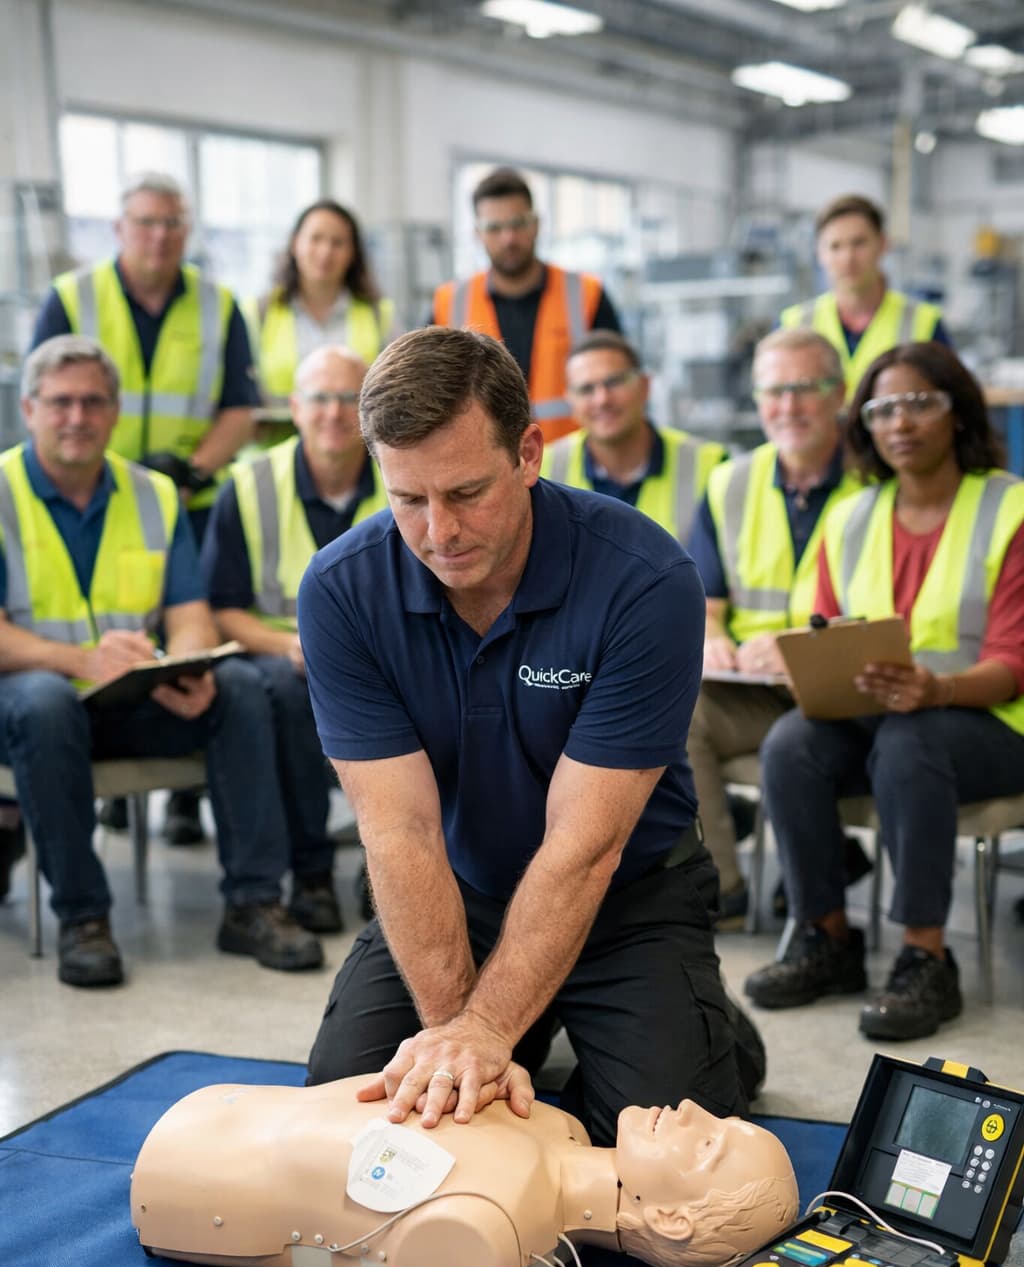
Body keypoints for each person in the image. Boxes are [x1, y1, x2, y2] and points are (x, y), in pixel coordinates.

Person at [297, 327, 765, 1149]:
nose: (439, 532)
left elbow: (584, 847)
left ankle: (712, 1030)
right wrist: (460, 1036)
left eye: (466, 492)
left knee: (649, 1146)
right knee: (353, 1119)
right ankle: (528, 1025)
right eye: (409, 499)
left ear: (529, 453)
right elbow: (398, 831)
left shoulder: (645, 581)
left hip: (629, 899)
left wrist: (483, 1035)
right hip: (457, 890)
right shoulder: (342, 590)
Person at [0, 336, 324, 987]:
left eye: (93, 402)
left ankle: (253, 902)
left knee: (235, 684)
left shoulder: (153, 494)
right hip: (27, 707)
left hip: (128, 698)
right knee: (44, 701)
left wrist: (184, 668)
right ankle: (83, 919)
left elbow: (189, 613)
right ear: (29, 409)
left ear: (116, 412)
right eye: (60, 402)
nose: (77, 417)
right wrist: (82, 659)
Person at [745, 342, 1024, 1039]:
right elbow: (829, 629)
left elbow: (1015, 662)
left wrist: (936, 689)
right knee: (792, 745)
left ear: (957, 411)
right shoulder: (852, 518)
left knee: (910, 740)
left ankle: (925, 956)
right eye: (882, 408)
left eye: (919, 403)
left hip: (993, 721)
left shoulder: (1009, 509)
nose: (899, 422)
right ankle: (826, 938)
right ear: (864, 424)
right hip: (885, 714)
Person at [31, 170, 260, 847]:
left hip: (181, 503)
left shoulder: (219, 305)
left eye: (172, 224)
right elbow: (53, 384)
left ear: (187, 232)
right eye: (146, 222)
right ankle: (104, 794)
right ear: (119, 228)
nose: (159, 236)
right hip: (82, 493)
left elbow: (239, 409)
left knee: (186, 654)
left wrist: (188, 473)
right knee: (99, 634)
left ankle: (186, 798)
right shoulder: (73, 297)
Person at [131, 1075, 800, 1267]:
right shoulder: (554, 1125)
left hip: (186, 1170)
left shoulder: (493, 1229)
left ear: (674, 1223)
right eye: (720, 1121)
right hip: (213, 1128)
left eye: (707, 1143)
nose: (690, 1110)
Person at [201, 345, 391, 933]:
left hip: (383, 658)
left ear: (366, 410)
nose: (332, 413)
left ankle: (388, 869)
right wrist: (290, 646)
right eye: (318, 398)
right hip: (284, 657)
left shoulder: (401, 473)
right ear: (293, 407)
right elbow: (223, 609)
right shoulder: (250, 485)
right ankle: (311, 875)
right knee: (284, 694)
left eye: (346, 398)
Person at [685, 328, 864, 926]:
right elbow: (708, 601)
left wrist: (803, 652)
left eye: (804, 389)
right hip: (757, 692)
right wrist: (714, 638)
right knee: (678, 712)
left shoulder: (879, 479)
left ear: (838, 392)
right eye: (773, 391)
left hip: (850, 693)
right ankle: (722, 894)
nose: (787, 407)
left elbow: (902, 615)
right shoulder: (730, 483)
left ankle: (823, 871)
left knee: (801, 747)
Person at [431, 167, 622, 444]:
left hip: (572, 466)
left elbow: (617, 382)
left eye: (518, 224)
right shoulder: (448, 304)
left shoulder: (586, 294)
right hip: (487, 465)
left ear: (536, 224)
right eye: (494, 228)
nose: (508, 238)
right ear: (477, 234)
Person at [541, 331, 727, 544]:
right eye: (586, 389)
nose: (602, 399)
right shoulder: (541, 470)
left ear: (645, 386)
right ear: (570, 401)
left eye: (614, 382)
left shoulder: (712, 465)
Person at [781, 193, 952, 395]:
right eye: (835, 246)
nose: (848, 258)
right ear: (819, 254)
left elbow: (947, 400)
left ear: (882, 244)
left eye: (859, 243)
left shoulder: (924, 322)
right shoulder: (794, 325)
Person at [249, 200, 395, 419]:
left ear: (353, 253)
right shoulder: (259, 312)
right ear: (295, 243)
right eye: (315, 239)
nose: (325, 252)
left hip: (358, 449)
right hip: (276, 449)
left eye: (337, 243)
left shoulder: (379, 315)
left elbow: (396, 392)